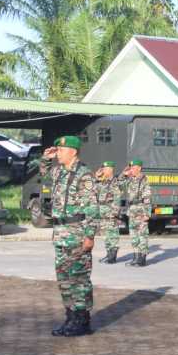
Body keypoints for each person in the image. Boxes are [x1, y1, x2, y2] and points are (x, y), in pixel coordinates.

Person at [40, 136, 99, 337]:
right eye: (57, 150)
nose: (58, 153)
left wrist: (89, 235)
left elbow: (92, 207)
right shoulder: (59, 172)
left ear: (73, 151)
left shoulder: (84, 175)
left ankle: (82, 320)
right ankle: (70, 317)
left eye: (61, 150)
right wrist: (45, 159)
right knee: (63, 277)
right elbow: (44, 173)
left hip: (77, 232)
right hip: (60, 234)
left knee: (79, 277)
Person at [120, 159, 151, 267]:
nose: (131, 170)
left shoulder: (144, 180)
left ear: (139, 168)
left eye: (133, 168)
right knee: (133, 235)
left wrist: (147, 213)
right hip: (132, 209)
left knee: (142, 234)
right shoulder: (130, 180)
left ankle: (142, 258)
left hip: (141, 209)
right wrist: (124, 174)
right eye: (131, 168)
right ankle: (136, 256)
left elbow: (147, 197)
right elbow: (118, 185)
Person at [95, 161, 122, 264]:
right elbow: (94, 190)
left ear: (110, 169)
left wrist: (115, 213)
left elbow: (117, 197)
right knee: (105, 234)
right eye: (103, 168)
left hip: (110, 212)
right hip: (102, 211)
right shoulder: (103, 182)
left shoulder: (115, 181)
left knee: (112, 234)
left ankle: (112, 256)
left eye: (105, 169)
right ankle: (108, 254)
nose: (103, 170)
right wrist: (97, 178)